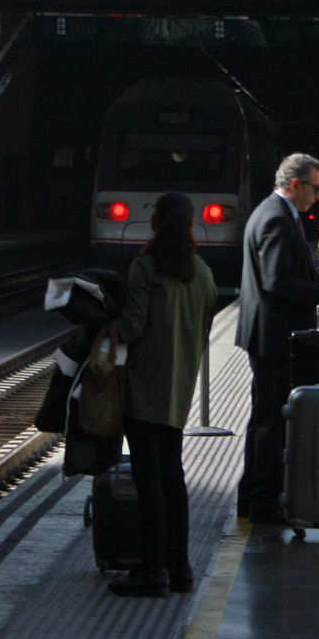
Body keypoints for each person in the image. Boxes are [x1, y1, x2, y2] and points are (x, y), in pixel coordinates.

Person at [108, 192, 218, 597]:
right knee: (173, 476)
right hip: (179, 388)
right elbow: (204, 331)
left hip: (143, 386)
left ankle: (153, 570)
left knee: (148, 479)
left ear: (156, 223)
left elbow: (133, 327)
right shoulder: (202, 273)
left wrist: (105, 326)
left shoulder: (146, 268)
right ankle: (181, 568)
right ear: (190, 227)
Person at [236, 153, 319, 524]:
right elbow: (276, 281)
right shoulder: (275, 218)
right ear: (295, 184)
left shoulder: (275, 214)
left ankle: (255, 497)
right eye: (314, 188)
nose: (316, 197)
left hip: (270, 334)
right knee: (270, 421)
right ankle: (262, 500)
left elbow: (289, 268)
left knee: (267, 418)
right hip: (273, 336)